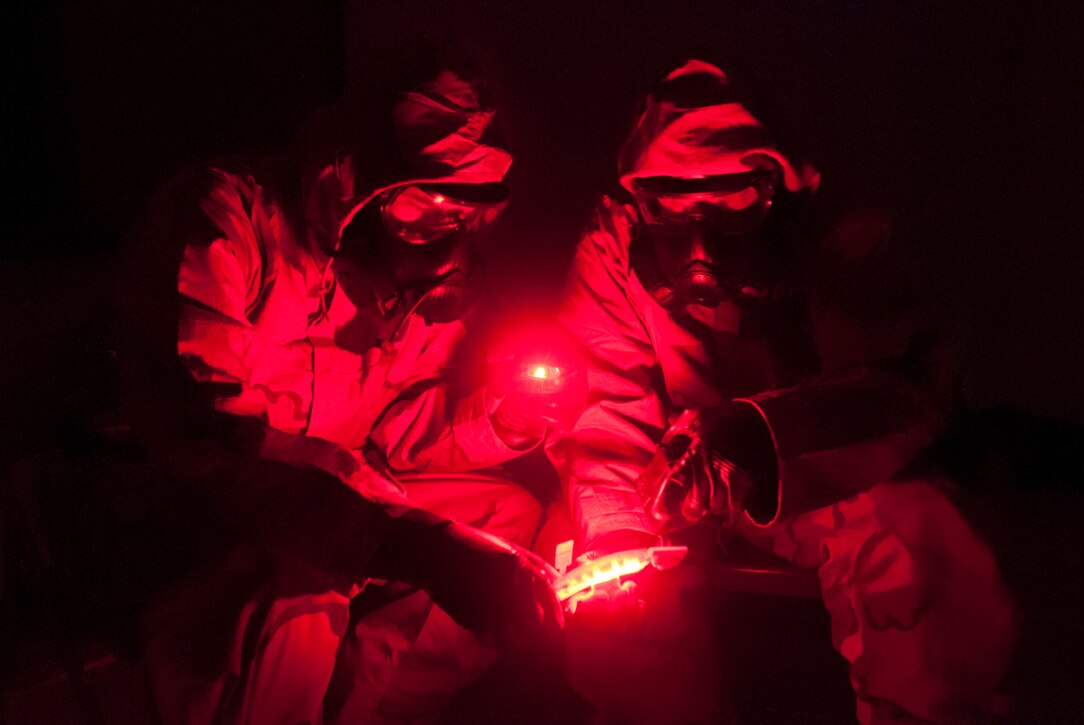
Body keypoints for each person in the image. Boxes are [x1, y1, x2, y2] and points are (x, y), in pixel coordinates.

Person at [545, 59, 1015, 724]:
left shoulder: (841, 238)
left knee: (921, 541)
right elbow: (605, 397)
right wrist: (618, 526)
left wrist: (758, 440)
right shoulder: (617, 245)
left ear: (774, 188)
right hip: (673, 480)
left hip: (818, 472)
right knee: (608, 600)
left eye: (734, 208)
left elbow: (892, 393)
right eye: (673, 214)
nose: (701, 248)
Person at [116, 44, 563, 724]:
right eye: (427, 208)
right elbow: (219, 451)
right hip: (201, 514)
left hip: (340, 497)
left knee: (504, 517)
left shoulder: (427, 284)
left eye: (464, 218)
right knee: (309, 584)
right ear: (360, 181)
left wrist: (505, 417)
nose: (446, 244)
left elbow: (390, 437)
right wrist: (410, 544)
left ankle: (371, 708)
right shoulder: (226, 225)